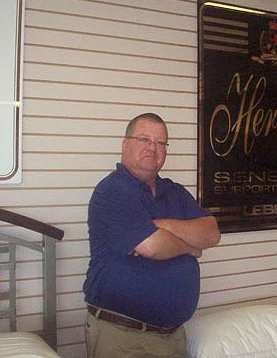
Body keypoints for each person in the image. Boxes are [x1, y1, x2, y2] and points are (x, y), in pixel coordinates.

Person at [83, 112, 221, 358]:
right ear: (125, 144)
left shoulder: (175, 192)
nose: (152, 148)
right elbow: (152, 246)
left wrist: (162, 225)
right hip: (125, 338)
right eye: (144, 139)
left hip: (173, 337)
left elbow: (211, 233)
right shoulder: (112, 191)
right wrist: (189, 247)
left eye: (160, 143)